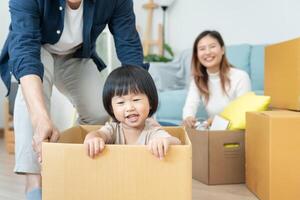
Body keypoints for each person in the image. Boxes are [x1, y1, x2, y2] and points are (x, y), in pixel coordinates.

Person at [0, 0, 148, 199]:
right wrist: (40, 118)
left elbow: (128, 45)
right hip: (37, 51)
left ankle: (74, 164)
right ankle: (34, 185)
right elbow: (25, 49)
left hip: (77, 55)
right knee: (34, 105)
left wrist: (143, 104)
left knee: (100, 111)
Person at [84, 65, 181, 159]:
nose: (129, 108)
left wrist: (163, 142)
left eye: (136, 100)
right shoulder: (113, 129)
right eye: (121, 102)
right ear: (111, 109)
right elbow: (99, 134)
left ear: (150, 103)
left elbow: (177, 142)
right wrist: (93, 139)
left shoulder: (152, 132)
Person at [182, 30, 251, 129]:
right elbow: (190, 105)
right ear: (197, 54)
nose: (207, 52)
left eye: (212, 46)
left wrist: (218, 120)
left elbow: (244, 113)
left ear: (222, 50)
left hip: (235, 132)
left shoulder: (241, 77)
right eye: (202, 49)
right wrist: (188, 118)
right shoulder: (198, 80)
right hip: (214, 131)